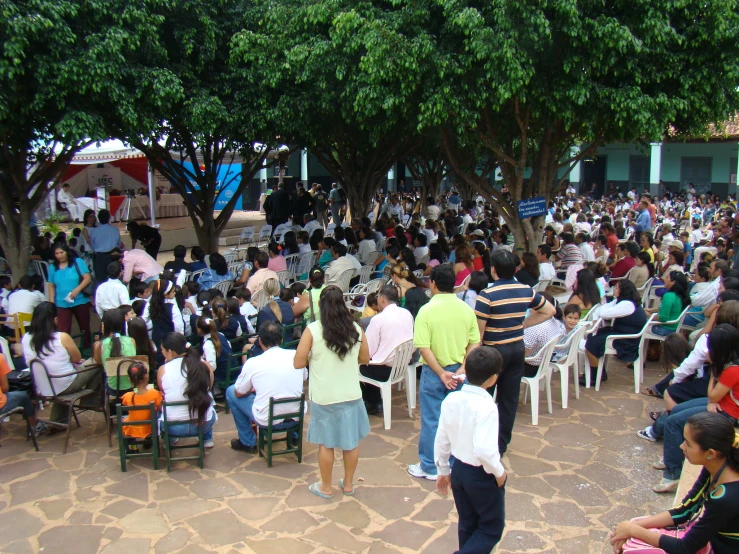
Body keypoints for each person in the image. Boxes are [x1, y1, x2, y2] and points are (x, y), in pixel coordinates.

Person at [612, 412, 739, 552]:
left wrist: (633, 530)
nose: (681, 446)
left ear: (710, 453)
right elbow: (685, 510)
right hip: (712, 539)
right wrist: (631, 527)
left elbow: (685, 548)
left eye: (688, 444)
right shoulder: (716, 465)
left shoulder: (727, 497)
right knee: (633, 527)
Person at [475, 250, 555, 455]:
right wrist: (523, 324)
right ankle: (500, 445)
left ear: (493, 270)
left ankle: (482, 441)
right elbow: (550, 311)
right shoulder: (526, 290)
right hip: (517, 349)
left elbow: (479, 332)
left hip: (493, 352)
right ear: (515, 269)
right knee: (508, 400)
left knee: (483, 398)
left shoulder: (487, 295)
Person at [293, 286, 371, 498]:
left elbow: (298, 362)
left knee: (326, 444)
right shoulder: (356, 329)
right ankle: (348, 484)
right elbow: (365, 358)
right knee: (351, 442)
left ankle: (325, 487)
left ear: (320, 305)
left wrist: (313, 356)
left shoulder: (313, 330)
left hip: (324, 396)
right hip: (351, 394)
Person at [408, 265, 481, 481]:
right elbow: (475, 342)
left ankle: (430, 466)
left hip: (434, 372)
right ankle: (450, 464)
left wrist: (440, 372)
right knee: (455, 420)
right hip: (459, 373)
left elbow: (423, 346)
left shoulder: (426, 311)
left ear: (433, 284)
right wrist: (462, 368)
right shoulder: (465, 309)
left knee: (432, 419)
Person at [435, 347, 506, 554]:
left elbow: (442, 438)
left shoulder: (451, 399)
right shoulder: (486, 406)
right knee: (491, 528)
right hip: (481, 474)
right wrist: (499, 472)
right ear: (493, 379)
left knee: (467, 523)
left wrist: (443, 470)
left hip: (459, 471)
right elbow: (484, 449)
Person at [227, 321, 307, 453]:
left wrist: (252, 389)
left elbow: (238, 393)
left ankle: (248, 442)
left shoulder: (253, 363)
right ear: (281, 339)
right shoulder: (295, 355)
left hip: (268, 419)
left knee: (231, 391)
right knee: (292, 386)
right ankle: (294, 436)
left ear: (260, 341)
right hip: (296, 416)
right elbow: (304, 377)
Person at [22, 302, 101, 422]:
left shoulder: (26, 337)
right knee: (97, 360)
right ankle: (90, 401)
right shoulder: (61, 337)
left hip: (42, 386)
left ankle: (59, 420)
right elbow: (76, 358)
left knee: (63, 375)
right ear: (55, 319)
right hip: (65, 383)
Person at [359, 285, 415, 414]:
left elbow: (368, 351)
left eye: (378, 297)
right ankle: (374, 401)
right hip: (401, 366)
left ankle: (372, 402)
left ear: (383, 299)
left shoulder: (378, 319)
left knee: (357, 364)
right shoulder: (407, 313)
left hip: (384, 369)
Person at [157, 332, 217, 449]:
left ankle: (169, 440)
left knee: (160, 406)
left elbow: (163, 392)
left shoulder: (163, 370)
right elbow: (209, 387)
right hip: (203, 423)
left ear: (170, 352)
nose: (162, 353)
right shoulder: (203, 364)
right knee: (206, 397)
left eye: (163, 350)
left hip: (173, 426)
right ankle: (207, 439)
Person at [582, 279, 648, 385]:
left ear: (623, 291)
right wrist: (600, 312)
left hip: (627, 340)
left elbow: (604, 313)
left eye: (617, 287)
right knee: (595, 334)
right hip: (623, 333)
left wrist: (600, 312)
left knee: (591, 343)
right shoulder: (622, 301)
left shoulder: (627, 305)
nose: (614, 289)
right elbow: (602, 308)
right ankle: (600, 371)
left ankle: (594, 376)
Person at [47, 243, 92, 349]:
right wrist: (51, 301)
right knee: (63, 329)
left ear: (67, 252)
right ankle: (66, 351)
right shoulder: (53, 267)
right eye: (56, 253)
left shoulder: (77, 262)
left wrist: (77, 290)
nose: (59, 255)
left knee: (84, 327)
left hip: (80, 300)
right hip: (61, 302)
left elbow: (87, 278)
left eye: (61, 252)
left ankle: (86, 349)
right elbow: (51, 285)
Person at [119, 362, 162, 452]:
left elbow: (135, 392)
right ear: (146, 377)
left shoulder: (127, 396)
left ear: (130, 380)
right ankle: (147, 440)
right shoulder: (154, 393)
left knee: (124, 418)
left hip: (132, 428)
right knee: (156, 414)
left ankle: (132, 447)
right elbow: (161, 408)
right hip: (149, 428)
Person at [93, 308, 137, 391]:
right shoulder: (131, 340)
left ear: (104, 325)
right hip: (132, 386)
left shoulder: (99, 345)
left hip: (113, 389)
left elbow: (100, 363)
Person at [645, 271, 690, 336]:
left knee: (640, 323)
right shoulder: (681, 295)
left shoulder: (668, 296)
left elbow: (663, 318)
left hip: (665, 329)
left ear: (673, 282)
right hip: (674, 328)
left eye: (667, 277)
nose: (664, 279)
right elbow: (669, 309)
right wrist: (651, 310)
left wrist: (648, 315)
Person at [88, 209, 121, 283]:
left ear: (99, 218)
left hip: (100, 257)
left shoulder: (94, 231)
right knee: (114, 278)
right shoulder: (115, 230)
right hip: (112, 256)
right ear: (109, 218)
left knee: (100, 279)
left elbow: (92, 244)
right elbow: (118, 244)